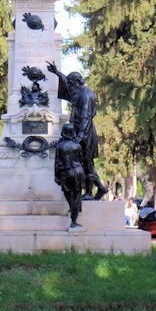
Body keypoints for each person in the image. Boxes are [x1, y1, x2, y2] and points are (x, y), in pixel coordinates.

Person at [46, 61, 108, 200]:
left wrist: (80, 136)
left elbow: (86, 116)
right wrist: (57, 73)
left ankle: (89, 192)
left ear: (76, 83)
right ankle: (100, 188)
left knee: (87, 161)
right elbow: (67, 87)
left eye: (71, 84)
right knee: (83, 161)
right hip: (78, 130)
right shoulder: (77, 91)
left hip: (85, 131)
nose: (69, 87)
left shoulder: (86, 94)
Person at [54, 123, 86, 229]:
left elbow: (57, 163)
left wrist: (56, 176)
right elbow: (81, 160)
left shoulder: (59, 147)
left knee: (68, 194)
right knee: (76, 197)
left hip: (66, 172)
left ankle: (73, 214)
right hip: (78, 171)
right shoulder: (77, 146)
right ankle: (74, 219)